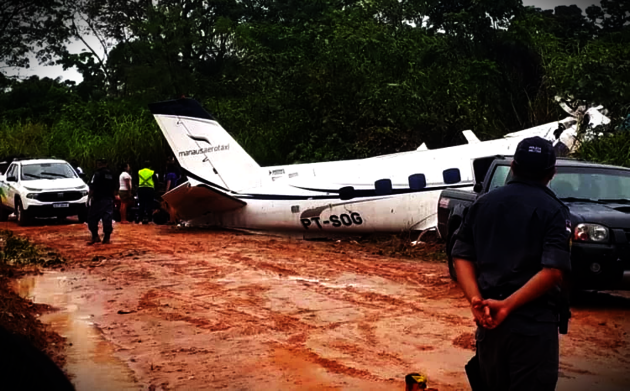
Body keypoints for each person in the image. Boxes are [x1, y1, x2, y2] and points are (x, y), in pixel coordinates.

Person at [452, 136, 571, 391]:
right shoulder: (554, 211)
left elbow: (461, 255)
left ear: (513, 167)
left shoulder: (483, 204)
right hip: (533, 326)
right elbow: (553, 271)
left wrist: (475, 300)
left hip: (490, 322)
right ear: (552, 173)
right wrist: (507, 305)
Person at [87, 158, 118, 245]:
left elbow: (92, 187)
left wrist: (89, 198)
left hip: (98, 199)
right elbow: (115, 188)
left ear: (98, 164)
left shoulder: (97, 174)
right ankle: (107, 238)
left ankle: (95, 236)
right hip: (108, 199)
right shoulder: (112, 174)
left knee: (92, 217)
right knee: (107, 217)